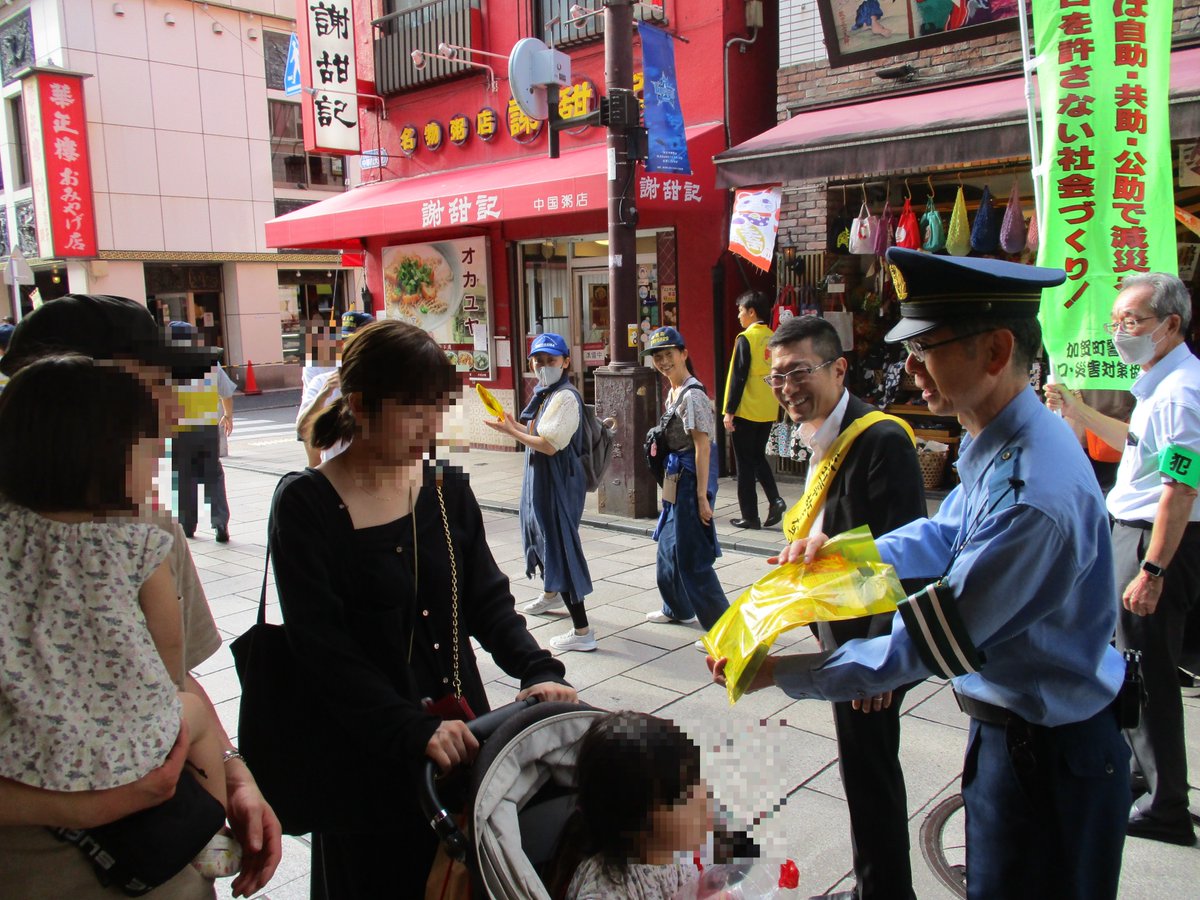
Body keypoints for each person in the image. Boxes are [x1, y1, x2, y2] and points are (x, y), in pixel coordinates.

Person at [711, 248, 1131, 899]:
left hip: (1049, 752)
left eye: (925, 348)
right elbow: (941, 532)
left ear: (995, 351)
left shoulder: (1032, 495)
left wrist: (776, 672)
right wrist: (842, 557)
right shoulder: (1002, 441)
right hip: (1015, 731)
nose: (909, 367)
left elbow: (927, 643)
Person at [269, 319, 577, 897]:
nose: (429, 428)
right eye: (413, 411)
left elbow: (486, 600)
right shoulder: (306, 505)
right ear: (362, 405)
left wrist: (538, 669)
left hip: (462, 745)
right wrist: (410, 729)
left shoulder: (443, 487)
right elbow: (323, 649)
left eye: (437, 409)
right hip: (368, 759)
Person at [0, 294, 282, 899]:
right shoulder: (135, 540)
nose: (172, 409)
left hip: (169, 866)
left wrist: (234, 773)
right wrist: (89, 806)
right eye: (149, 389)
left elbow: (173, 678)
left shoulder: (148, 526)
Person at [764, 315, 925, 900]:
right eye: (777, 377)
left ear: (838, 369)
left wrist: (881, 656)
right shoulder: (818, 434)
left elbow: (909, 554)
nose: (787, 388)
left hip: (871, 641)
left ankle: (883, 892)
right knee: (861, 768)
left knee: (870, 773)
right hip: (840, 627)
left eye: (799, 372)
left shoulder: (880, 439)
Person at [1045, 272, 1199, 847]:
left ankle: (1166, 804)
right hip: (1135, 531)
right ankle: (1141, 771)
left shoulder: (1182, 391)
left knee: (1148, 669)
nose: (1119, 333)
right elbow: (1136, 441)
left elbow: (1181, 486)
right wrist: (1078, 411)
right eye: (1115, 322)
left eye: (1130, 321)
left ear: (1170, 325)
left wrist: (1153, 570)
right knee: (1131, 662)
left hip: (1153, 540)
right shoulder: (1159, 383)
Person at [484, 333, 595, 651]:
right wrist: (512, 426)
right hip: (541, 480)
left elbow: (548, 445)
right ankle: (550, 593)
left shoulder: (565, 397)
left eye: (551, 360)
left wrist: (513, 432)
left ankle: (583, 632)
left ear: (566, 362)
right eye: (539, 360)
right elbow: (538, 433)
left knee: (560, 546)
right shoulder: (547, 394)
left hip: (558, 483)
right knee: (539, 535)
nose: (544, 366)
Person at [552, 711, 709, 899]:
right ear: (638, 820)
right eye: (686, 796)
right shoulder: (606, 890)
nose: (704, 800)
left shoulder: (673, 852)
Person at [643, 327, 729, 646]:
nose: (664, 361)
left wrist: (702, 497)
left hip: (692, 478)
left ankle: (724, 630)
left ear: (684, 354)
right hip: (675, 476)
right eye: (658, 356)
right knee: (668, 546)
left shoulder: (692, 396)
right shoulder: (673, 391)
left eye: (669, 354)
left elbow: (702, 447)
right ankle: (677, 608)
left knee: (692, 557)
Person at [723, 290, 786, 530]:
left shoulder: (745, 338)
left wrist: (729, 410)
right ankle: (775, 499)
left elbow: (738, 377)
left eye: (741, 310)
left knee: (745, 465)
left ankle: (750, 516)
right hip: (767, 408)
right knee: (758, 456)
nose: (738, 315)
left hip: (746, 408)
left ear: (751, 312)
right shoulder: (774, 338)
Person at [169, 321, 235, 542]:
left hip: (177, 430)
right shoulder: (209, 362)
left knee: (183, 476)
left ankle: (187, 525)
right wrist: (228, 415)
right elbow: (226, 392)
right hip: (206, 429)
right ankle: (220, 523)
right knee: (213, 474)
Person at [296, 310, 375, 467]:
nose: (347, 347)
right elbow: (303, 430)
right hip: (337, 473)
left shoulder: (387, 379)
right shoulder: (323, 379)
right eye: (344, 340)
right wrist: (323, 395)